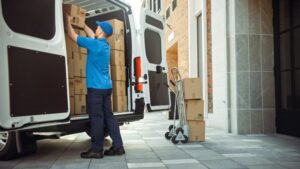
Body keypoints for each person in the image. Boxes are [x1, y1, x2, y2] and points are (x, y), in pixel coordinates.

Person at [65, 15, 125, 159]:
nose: (96, 28)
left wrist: (67, 22)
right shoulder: (104, 45)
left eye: (98, 27)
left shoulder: (95, 45)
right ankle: (118, 146)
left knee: (97, 118)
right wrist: (82, 23)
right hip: (106, 88)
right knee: (109, 117)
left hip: (96, 89)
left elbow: (73, 36)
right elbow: (92, 34)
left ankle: (97, 150)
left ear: (101, 32)